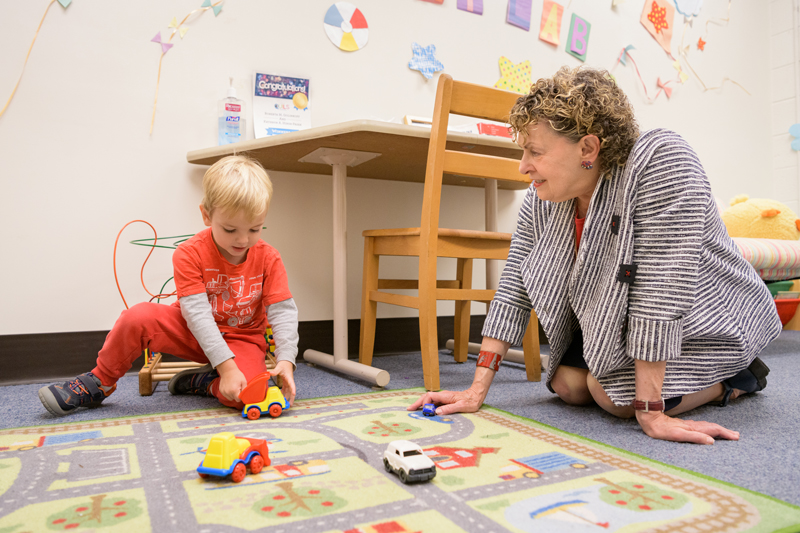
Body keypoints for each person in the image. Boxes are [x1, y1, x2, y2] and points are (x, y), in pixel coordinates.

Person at [409, 66, 781, 445]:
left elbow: (661, 289)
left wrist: (651, 411)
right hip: (618, 322)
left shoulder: (661, 159)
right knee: (567, 385)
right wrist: (475, 390)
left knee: (614, 399)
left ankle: (737, 377)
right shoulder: (541, 202)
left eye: (534, 151)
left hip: (706, 315)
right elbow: (513, 288)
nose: (523, 167)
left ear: (587, 148)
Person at [39, 155, 299, 416]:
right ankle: (100, 381)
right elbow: (196, 315)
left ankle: (205, 382)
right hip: (192, 330)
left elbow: (283, 312)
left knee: (249, 395)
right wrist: (227, 367)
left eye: (255, 229)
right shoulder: (188, 253)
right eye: (230, 230)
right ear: (206, 215)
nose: (243, 240)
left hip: (242, 338)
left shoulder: (269, 257)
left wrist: (286, 360)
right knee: (136, 317)